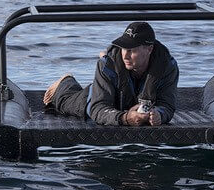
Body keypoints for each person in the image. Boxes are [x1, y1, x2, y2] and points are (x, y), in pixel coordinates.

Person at [43, 22, 178, 126]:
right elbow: (97, 108)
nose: (125, 55)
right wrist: (125, 118)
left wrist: (159, 115)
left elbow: (167, 106)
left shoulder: (168, 67)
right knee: (68, 104)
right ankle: (65, 83)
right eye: (124, 48)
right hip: (96, 98)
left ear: (149, 49)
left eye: (132, 50)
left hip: (126, 97)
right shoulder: (107, 64)